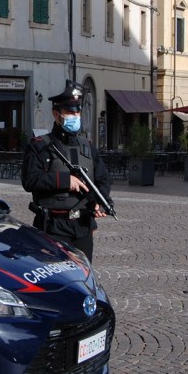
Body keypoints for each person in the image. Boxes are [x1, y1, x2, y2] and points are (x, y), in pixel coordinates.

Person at [21, 81, 113, 262]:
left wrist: (100, 202)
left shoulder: (88, 147)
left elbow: (103, 179)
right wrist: (65, 181)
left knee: (83, 277)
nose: (75, 116)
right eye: (70, 112)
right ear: (56, 114)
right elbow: (29, 180)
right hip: (53, 225)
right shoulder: (40, 146)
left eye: (77, 112)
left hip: (82, 226)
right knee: (54, 279)